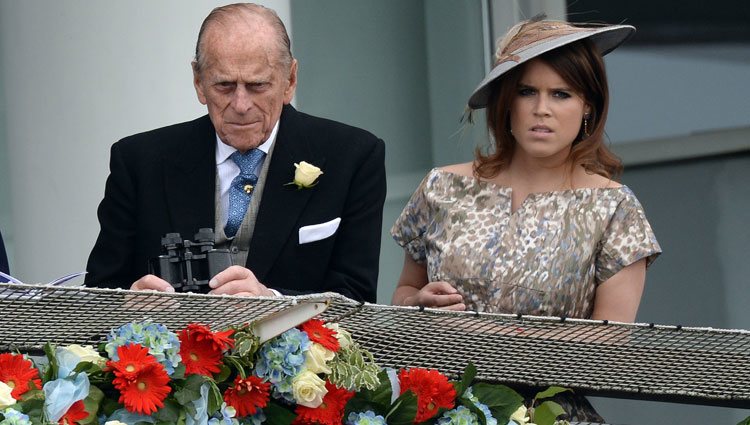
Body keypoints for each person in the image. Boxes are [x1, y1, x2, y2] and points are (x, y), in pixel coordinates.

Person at [390, 18, 661, 421]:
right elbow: (403, 295)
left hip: (550, 414)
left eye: (561, 94)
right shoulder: (441, 186)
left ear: (589, 105)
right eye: (527, 91)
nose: (541, 109)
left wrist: (492, 340)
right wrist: (419, 305)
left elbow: (609, 347)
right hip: (436, 408)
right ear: (506, 102)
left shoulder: (614, 208)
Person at [85, 3, 386, 302]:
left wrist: (273, 300)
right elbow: (96, 296)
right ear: (198, 82)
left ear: (289, 80)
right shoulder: (139, 162)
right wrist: (127, 304)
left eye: (257, 86)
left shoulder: (352, 157)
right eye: (224, 86)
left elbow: (356, 300)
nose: (241, 105)